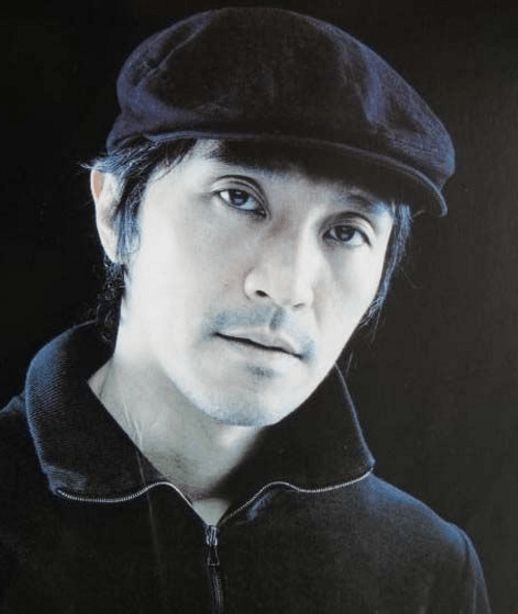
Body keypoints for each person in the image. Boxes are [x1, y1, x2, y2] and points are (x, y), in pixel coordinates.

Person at [0, 7, 491, 613]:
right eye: (238, 197)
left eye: (346, 231)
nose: (287, 286)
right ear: (113, 210)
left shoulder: (427, 569)